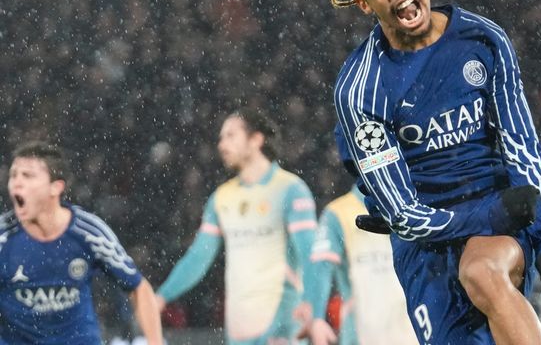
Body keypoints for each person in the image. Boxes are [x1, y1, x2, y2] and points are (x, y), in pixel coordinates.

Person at [278, 0, 541, 344]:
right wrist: (492, 213)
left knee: (482, 270)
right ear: (365, 4)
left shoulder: (483, 41)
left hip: (498, 221)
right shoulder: (361, 89)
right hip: (427, 247)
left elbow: (522, 147)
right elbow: (403, 214)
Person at [154, 108, 317, 345]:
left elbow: (310, 254)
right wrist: (162, 296)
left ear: (256, 140)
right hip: (238, 330)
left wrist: (311, 302)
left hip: (282, 326)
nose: (222, 144)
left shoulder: (290, 190)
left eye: (231, 135)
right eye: (221, 137)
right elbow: (198, 257)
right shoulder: (221, 198)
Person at [0, 141, 163, 345]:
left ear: (55, 187)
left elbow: (138, 287)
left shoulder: (88, 233)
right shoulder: (3, 238)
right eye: (14, 175)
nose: (16, 182)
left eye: (28, 175)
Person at [296, 185, 418, 345]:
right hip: (362, 335)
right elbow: (320, 267)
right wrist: (317, 318)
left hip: (415, 334)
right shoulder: (338, 213)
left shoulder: (417, 205)